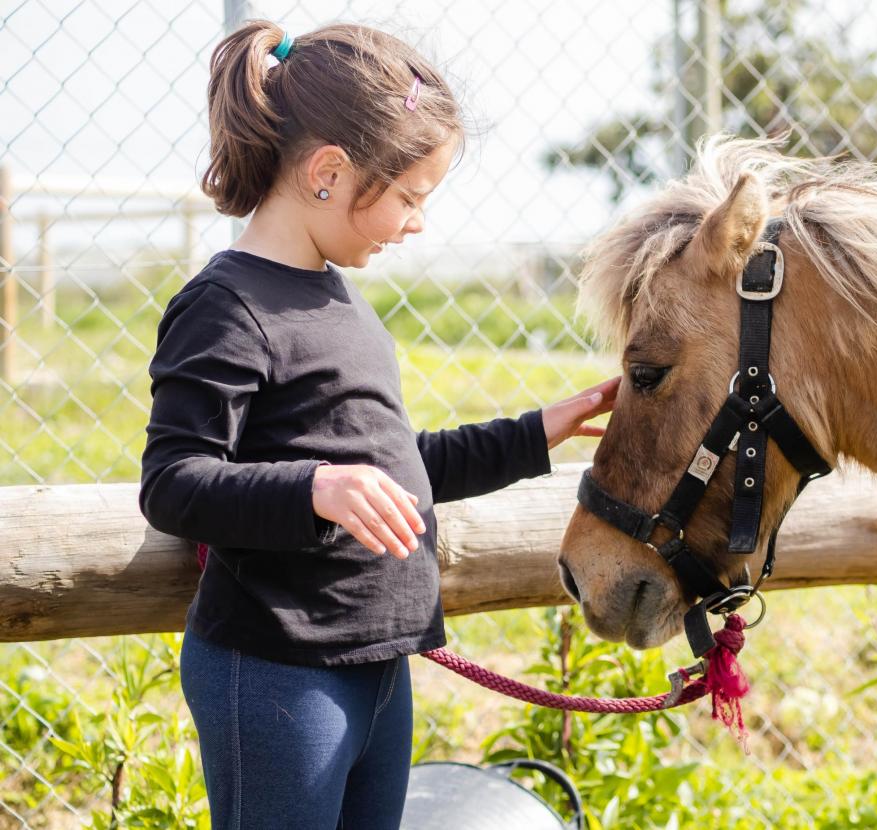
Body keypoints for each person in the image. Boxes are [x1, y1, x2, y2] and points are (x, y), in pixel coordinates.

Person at [138, 20, 618, 830]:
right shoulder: (226, 307)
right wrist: (315, 489)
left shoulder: (339, 299)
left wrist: (540, 431)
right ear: (329, 172)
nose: (418, 222)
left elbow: (396, 469)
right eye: (409, 197)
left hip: (376, 664)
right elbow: (174, 483)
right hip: (278, 671)